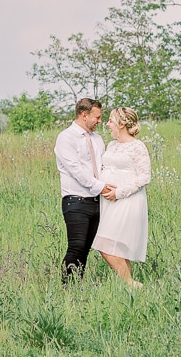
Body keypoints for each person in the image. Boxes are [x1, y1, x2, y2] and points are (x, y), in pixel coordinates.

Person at [54, 98, 115, 283]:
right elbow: (76, 170)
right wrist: (101, 187)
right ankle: (66, 287)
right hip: (76, 200)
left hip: (97, 201)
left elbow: (103, 166)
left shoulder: (97, 139)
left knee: (86, 247)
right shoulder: (66, 138)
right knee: (76, 245)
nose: (100, 121)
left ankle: (77, 286)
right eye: (96, 117)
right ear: (84, 115)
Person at [92, 107, 151, 288]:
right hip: (108, 202)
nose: (107, 124)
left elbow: (144, 176)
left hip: (128, 200)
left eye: (110, 120)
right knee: (115, 245)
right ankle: (130, 287)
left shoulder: (137, 146)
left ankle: (131, 284)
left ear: (122, 124)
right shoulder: (112, 145)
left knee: (104, 244)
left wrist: (119, 192)